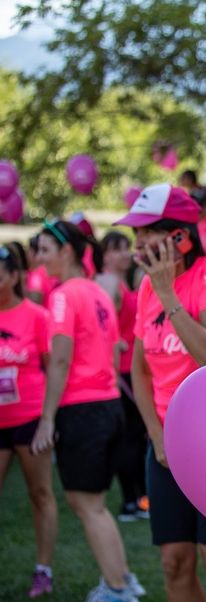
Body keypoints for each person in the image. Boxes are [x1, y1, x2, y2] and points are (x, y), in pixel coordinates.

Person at [114, 184, 206, 602]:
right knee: (173, 560)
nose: (137, 244)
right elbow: (139, 368)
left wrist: (168, 292)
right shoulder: (145, 287)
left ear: (178, 236)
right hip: (165, 446)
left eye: (145, 232)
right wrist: (157, 436)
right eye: (135, 234)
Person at [31, 220, 145, 602]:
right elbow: (113, 353)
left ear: (66, 251)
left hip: (82, 409)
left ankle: (116, 590)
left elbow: (60, 360)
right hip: (108, 404)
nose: (39, 257)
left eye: (45, 249)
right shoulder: (97, 292)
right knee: (93, 503)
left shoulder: (63, 295)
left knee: (86, 504)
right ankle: (123, 578)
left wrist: (46, 418)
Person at [0, 244, 58, 598]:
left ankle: (43, 569)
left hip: (30, 418)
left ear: (14, 276)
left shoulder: (36, 316)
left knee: (40, 494)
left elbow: (53, 367)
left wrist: (49, 419)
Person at [96, 231, 148, 522]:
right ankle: (133, 501)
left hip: (131, 368)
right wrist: (113, 359)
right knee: (130, 438)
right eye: (116, 249)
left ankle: (137, 501)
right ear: (104, 256)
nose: (125, 253)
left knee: (133, 437)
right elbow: (104, 329)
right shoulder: (108, 283)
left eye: (126, 247)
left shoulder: (120, 282)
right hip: (123, 372)